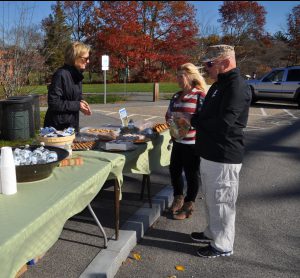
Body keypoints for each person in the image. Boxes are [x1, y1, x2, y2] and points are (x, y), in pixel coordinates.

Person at [190, 45, 251, 257]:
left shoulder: (237, 87)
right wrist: (197, 119)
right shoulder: (218, 85)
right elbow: (208, 115)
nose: (206, 68)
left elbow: (225, 123)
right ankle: (212, 232)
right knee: (211, 198)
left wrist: (195, 121)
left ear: (224, 63)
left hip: (224, 155)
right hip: (209, 153)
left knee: (223, 201)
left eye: (209, 64)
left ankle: (223, 244)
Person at [165, 63, 207, 220]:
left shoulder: (199, 96)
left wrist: (189, 119)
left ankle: (189, 203)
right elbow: (169, 114)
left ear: (190, 76)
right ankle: (178, 198)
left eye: (181, 76)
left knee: (191, 174)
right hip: (177, 141)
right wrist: (169, 118)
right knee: (174, 170)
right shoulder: (176, 96)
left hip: (192, 143)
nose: (178, 79)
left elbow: (204, 118)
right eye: (177, 76)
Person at [44, 41, 92, 132]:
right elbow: (53, 103)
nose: (88, 61)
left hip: (71, 125)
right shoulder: (61, 75)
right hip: (58, 128)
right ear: (75, 58)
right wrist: (77, 105)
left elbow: (72, 95)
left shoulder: (76, 74)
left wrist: (82, 102)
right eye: (86, 58)